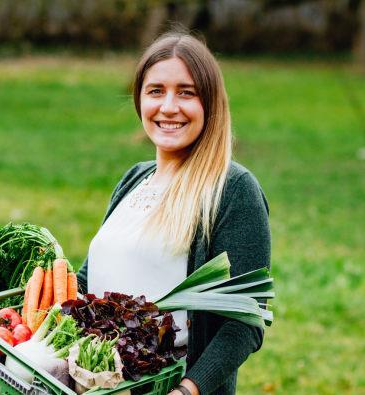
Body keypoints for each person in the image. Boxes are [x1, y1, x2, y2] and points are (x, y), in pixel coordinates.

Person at [76, 31, 271, 395]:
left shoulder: (232, 189)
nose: (168, 107)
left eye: (186, 92)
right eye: (155, 91)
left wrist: (187, 390)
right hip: (94, 382)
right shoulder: (134, 179)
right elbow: (90, 283)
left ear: (210, 103)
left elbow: (245, 322)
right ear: (139, 100)